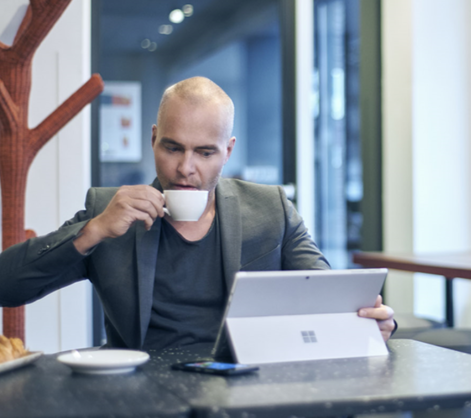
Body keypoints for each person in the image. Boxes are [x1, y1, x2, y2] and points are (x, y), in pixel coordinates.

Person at [0, 76, 395, 350]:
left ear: (228, 151)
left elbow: (326, 298)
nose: (186, 168)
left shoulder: (270, 208)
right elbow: (6, 286)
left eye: (205, 152)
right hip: (142, 393)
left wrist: (373, 319)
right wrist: (92, 231)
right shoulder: (107, 210)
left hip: (245, 388)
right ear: (153, 139)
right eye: (172, 148)